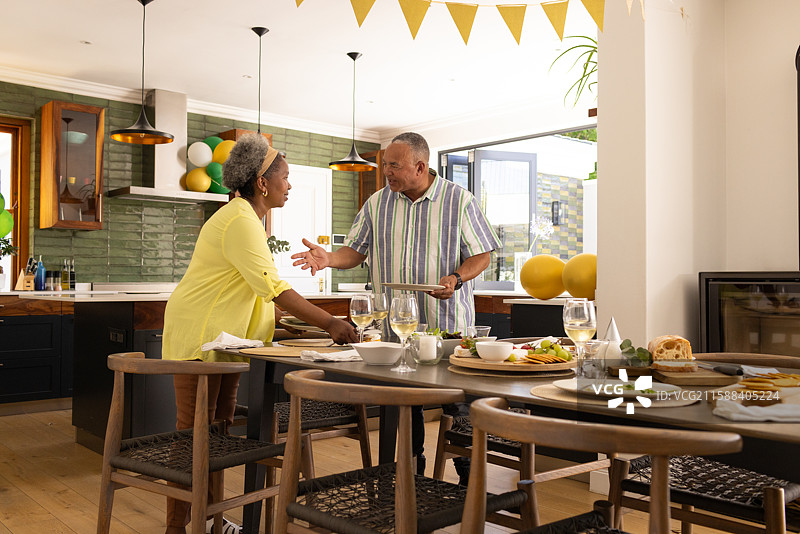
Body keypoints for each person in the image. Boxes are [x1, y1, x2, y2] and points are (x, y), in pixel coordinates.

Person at [161, 133, 357, 534]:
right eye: (285, 177)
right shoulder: (238, 220)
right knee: (193, 437)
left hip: (230, 341)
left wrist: (282, 327)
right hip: (199, 335)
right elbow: (274, 288)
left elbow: (250, 291)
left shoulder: (248, 219)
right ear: (262, 182)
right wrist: (331, 323)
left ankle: (211, 522)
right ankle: (175, 528)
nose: (290, 184)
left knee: (216, 433)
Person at [291, 131, 500, 483]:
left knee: (459, 405)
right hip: (396, 329)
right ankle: (410, 477)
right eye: (384, 164)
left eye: (393, 165)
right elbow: (355, 251)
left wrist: (456, 278)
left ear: (420, 166)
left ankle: (469, 479)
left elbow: (483, 254)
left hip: (446, 326)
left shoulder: (459, 200)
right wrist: (328, 259)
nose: (386, 171)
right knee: (405, 404)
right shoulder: (377, 203)